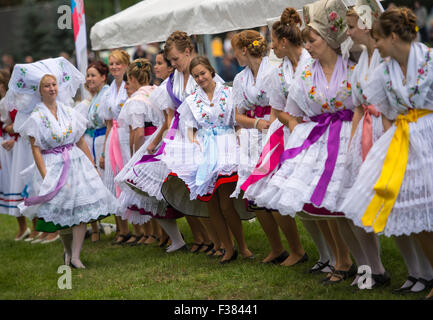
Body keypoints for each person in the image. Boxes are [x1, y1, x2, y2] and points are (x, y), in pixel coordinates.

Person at [253, 0, 357, 284]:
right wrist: (295, 125)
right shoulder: (281, 73)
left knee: (326, 199)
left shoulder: (314, 61)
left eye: (274, 42)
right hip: (301, 133)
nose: (272, 48)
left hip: (321, 132)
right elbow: (282, 108)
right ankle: (329, 256)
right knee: (310, 202)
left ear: (285, 41)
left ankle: (344, 258)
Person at [340, 7, 433, 299]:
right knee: (412, 207)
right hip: (405, 139)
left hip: (429, 135)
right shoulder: (383, 73)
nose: (376, 45)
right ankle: (426, 273)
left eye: (379, 39)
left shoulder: (429, 61)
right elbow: (389, 113)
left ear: (393, 36)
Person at [4, 57, 117, 269]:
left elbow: (80, 139)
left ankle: (75, 255)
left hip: (75, 162)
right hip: (53, 163)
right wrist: (45, 174)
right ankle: (67, 251)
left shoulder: (68, 110)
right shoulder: (36, 117)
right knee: (63, 213)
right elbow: (36, 148)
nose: (51, 88)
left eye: (54, 84)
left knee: (81, 206)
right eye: (47, 86)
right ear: (40, 91)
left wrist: (92, 164)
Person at [161, 56, 256, 263]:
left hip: (226, 148)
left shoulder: (229, 93)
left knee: (226, 204)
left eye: (202, 73)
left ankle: (243, 246)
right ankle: (227, 247)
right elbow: (187, 128)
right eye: (196, 76)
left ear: (211, 71)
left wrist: (240, 137)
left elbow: (237, 121)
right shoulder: (192, 100)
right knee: (211, 205)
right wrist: (194, 141)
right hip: (204, 151)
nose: (200, 78)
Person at [234, 12, 310, 267]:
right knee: (254, 194)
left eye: (236, 50)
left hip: (276, 130)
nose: (234, 56)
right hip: (252, 134)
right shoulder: (239, 78)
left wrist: (270, 122)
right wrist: (255, 122)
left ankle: (296, 248)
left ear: (245, 50)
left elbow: (280, 105)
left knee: (273, 190)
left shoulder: (273, 69)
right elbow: (237, 114)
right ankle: (276, 248)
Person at [336, 0, 390, 289]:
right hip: (365, 134)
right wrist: (351, 146)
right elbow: (358, 106)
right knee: (354, 204)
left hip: (386, 130)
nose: (348, 32)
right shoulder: (361, 64)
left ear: (367, 25)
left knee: (395, 202)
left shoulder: (385, 57)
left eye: (351, 26)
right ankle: (373, 269)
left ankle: (422, 271)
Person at [99, 49, 131, 245]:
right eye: (112, 64)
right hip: (113, 136)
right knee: (112, 180)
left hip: (127, 133)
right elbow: (109, 123)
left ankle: (136, 227)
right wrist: (103, 151)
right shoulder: (110, 90)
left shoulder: (129, 86)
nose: (115, 67)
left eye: (118, 63)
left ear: (126, 65)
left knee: (127, 180)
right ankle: (122, 228)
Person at [78, 61, 111, 242]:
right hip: (92, 141)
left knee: (108, 183)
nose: (89, 78)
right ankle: (97, 227)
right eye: (88, 75)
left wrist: (104, 152)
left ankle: (124, 229)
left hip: (101, 141)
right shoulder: (94, 97)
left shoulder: (106, 94)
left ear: (103, 77)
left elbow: (108, 124)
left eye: (93, 75)